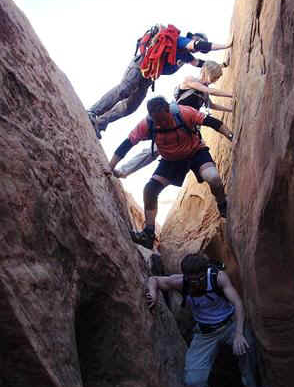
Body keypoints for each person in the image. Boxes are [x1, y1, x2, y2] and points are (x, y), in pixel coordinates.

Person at [145, 252, 258, 387]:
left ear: (205, 271)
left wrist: (238, 334)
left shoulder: (217, 278)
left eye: (198, 279)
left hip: (230, 324)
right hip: (205, 334)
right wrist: (152, 292)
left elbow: (237, 303)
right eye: (191, 280)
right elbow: (154, 280)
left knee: (248, 346)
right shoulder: (181, 282)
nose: (195, 283)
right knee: (193, 381)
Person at [109, 96, 232, 249]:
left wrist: (230, 136)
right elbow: (127, 144)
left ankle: (222, 203)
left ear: (168, 110)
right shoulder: (148, 124)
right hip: (171, 161)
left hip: (195, 153)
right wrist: (110, 166)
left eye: (163, 119)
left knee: (213, 178)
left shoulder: (184, 113)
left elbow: (212, 122)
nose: (161, 124)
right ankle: (148, 233)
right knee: (150, 189)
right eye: (157, 121)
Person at [87, 27, 233, 138]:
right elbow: (201, 46)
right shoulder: (180, 40)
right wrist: (226, 46)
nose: (197, 50)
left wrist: (221, 65)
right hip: (141, 66)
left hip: (148, 78)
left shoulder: (186, 56)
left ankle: (100, 123)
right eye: (197, 43)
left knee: (131, 106)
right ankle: (93, 112)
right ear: (194, 38)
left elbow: (204, 65)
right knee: (125, 89)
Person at [115, 60, 233, 179]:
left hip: (191, 123)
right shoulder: (190, 80)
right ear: (208, 72)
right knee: (155, 149)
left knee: (194, 148)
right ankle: (123, 171)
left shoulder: (204, 91)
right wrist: (231, 95)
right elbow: (210, 90)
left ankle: (203, 172)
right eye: (215, 77)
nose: (215, 80)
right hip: (174, 119)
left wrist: (230, 110)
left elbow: (211, 105)